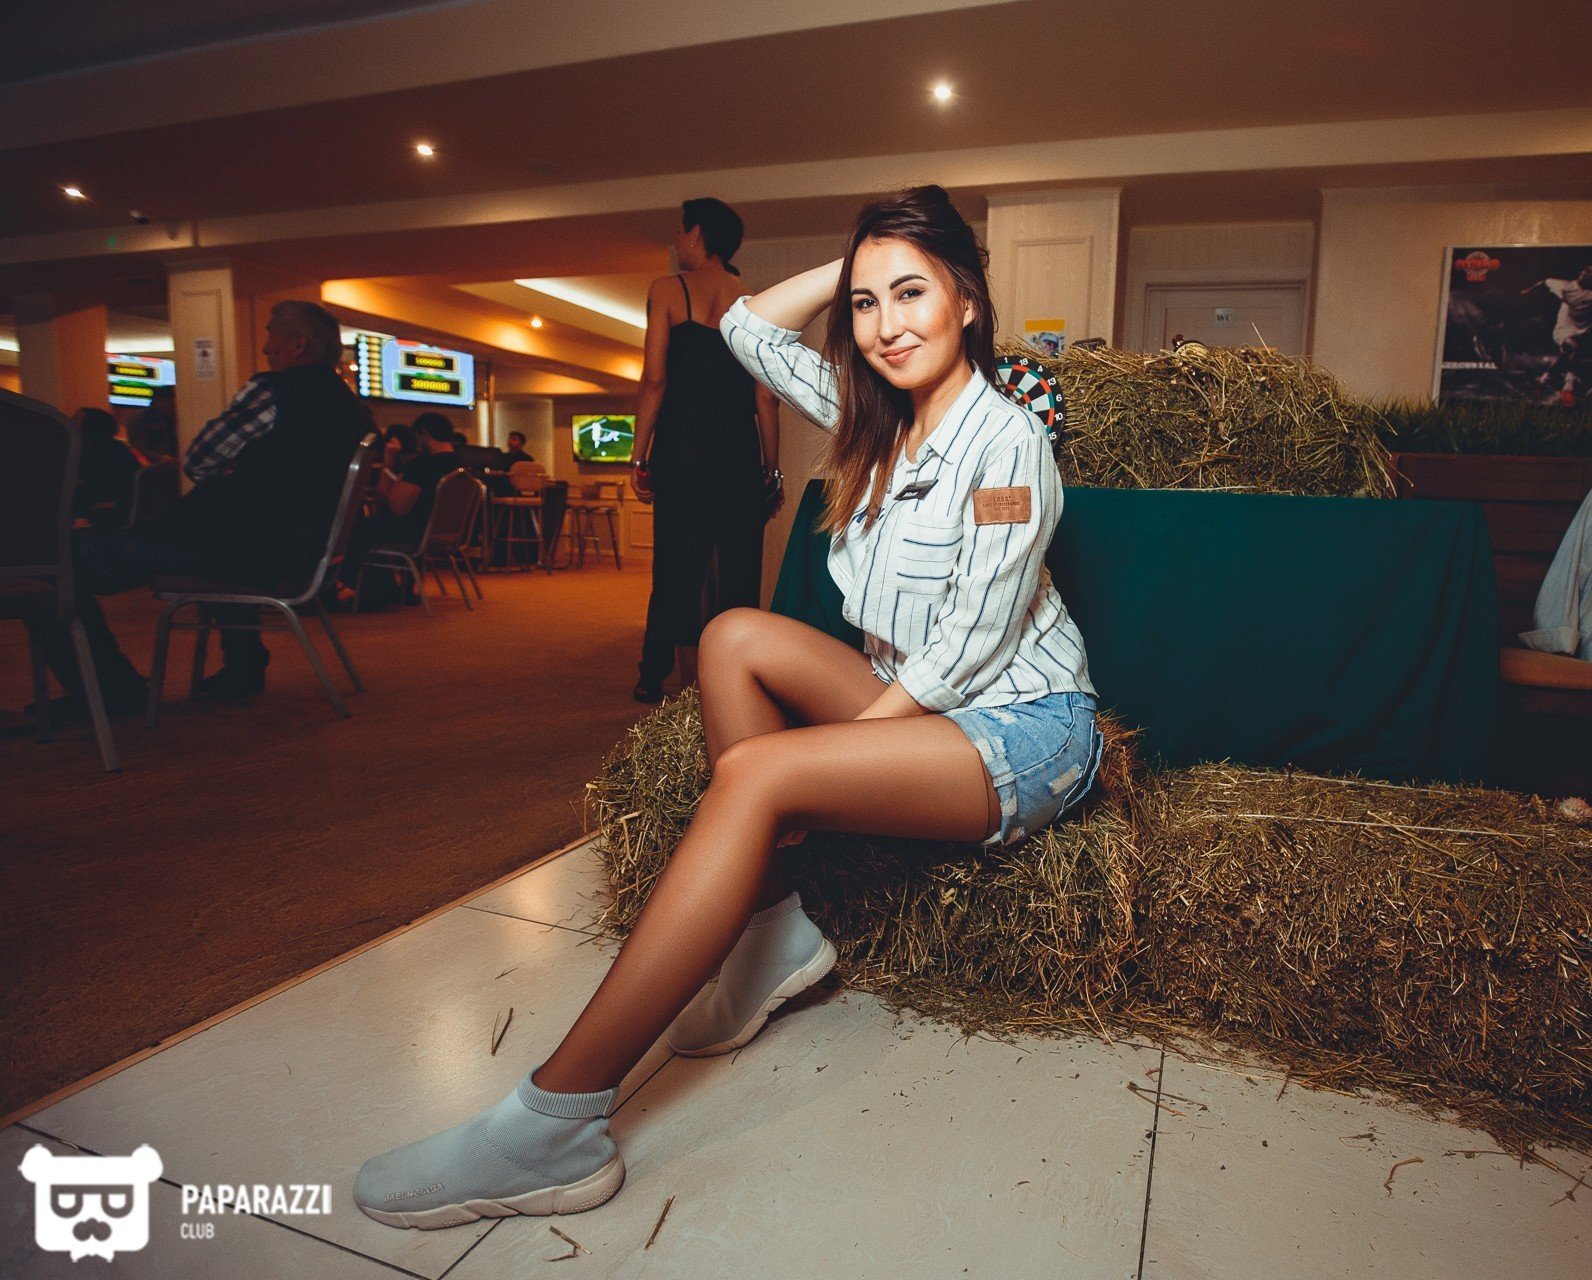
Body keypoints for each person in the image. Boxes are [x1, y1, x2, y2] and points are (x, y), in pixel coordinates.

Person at [353, 184, 1100, 1230]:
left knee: (756, 776)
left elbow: (970, 647)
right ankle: (775, 929)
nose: (886, 324)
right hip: (926, 705)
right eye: (867, 301)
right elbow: (744, 329)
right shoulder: (874, 419)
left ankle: (556, 1121)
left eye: (913, 292)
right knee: (729, 636)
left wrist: (817, 766)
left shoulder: (1008, 442)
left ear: (967, 301)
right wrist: (854, 265)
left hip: (1023, 725)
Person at [25, 301, 369, 714]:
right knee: (235, 525)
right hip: (304, 554)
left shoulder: (275, 391)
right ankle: (243, 665)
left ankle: (108, 689)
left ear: (297, 344)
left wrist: (237, 472)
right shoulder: (355, 411)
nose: (265, 347)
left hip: (240, 551)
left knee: (49, 561)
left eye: (271, 333)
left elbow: (200, 460)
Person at [629, 197, 784, 703]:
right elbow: (766, 397)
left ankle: (668, 679)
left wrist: (638, 454)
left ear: (697, 233)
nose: (677, 240)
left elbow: (655, 379)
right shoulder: (753, 303)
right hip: (737, 451)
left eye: (681, 230)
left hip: (682, 450)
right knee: (735, 566)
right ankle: (730, 685)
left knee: (678, 563)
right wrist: (772, 469)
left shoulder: (667, 289)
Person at [348, 412, 464, 606]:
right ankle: (398, 589)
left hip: (415, 533)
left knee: (355, 528)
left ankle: (374, 591)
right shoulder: (462, 466)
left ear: (424, 435)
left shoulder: (422, 465)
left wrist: (388, 463)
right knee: (372, 526)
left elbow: (396, 507)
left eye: (417, 437)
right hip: (444, 533)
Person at [1524, 264, 1592, 405]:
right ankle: (1568, 387)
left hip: (1585, 327)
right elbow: (1544, 282)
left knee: (1566, 355)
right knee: (1574, 348)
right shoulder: (1565, 287)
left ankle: (1544, 380)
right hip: (1565, 326)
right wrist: (1526, 291)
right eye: (1588, 271)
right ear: (1581, 274)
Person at [72, 407, 141, 527]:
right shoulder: (79, 449)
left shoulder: (114, 452)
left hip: (108, 512)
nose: (71, 422)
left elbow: (126, 487)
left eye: (77, 420)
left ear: (92, 425)